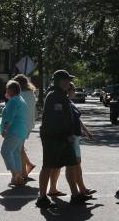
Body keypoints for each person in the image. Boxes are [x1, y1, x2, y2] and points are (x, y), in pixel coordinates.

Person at [37, 70, 87, 208]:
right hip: (53, 138)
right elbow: (56, 119)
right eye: (65, 80)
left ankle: (75, 194)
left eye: (69, 80)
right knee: (48, 166)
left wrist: (68, 135)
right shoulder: (54, 95)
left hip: (64, 138)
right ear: (58, 81)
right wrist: (67, 135)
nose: (68, 83)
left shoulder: (61, 95)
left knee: (71, 164)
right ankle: (42, 197)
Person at [67, 82, 96, 196]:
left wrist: (86, 130)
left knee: (77, 164)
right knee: (75, 164)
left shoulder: (70, 102)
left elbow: (77, 120)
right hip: (72, 137)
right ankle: (80, 190)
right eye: (73, 89)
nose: (74, 92)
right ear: (70, 90)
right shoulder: (66, 102)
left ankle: (82, 189)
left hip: (75, 136)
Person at [0, 80, 28, 187]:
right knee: (15, 152)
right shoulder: (21, 100)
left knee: (5, 151)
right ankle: (18, 177)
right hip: (21, 131)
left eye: (7, 89)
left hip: (14, 131)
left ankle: (15, 174)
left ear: (11, 90)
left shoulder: (13, 101)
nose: (6, 91)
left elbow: (10, 117)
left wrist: (5, 129)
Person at [13, 74, 38, 182]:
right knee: (20, 147)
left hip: (20, 124)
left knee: (17, 149)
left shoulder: (19, 94)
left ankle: (24, 172)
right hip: (29, 124)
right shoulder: (31, 94)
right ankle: (27, 166)